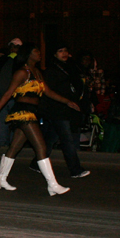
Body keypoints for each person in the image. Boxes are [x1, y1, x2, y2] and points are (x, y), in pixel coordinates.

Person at [0, 42, 75, 196]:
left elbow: (48, 92)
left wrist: (67, 101)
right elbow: (7, 94)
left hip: (32, 111)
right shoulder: (22, 72)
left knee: (15, 147)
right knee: (41, 146)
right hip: (22, 112)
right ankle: (52, 184)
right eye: (36, 51)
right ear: (28, 54)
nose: (39, 54)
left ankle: (1, 179)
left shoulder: (37, 72)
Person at [31, 42, 90, 178]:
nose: (64, 54)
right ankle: (75, 169)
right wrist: (66, 101)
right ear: (54, 54)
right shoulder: (52, 70)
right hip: (56, 109)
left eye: (65, 50)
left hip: (66, 108)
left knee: (51, 138)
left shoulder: (70, 67)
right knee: (67, 139)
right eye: (60, 51)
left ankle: (36, 163)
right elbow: (50, 91)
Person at [0, 38, 22, 146]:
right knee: (0, 122)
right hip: (1, 95)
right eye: (13, 47)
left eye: (17, 47)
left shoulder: (21, 62)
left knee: (14, 122)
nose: (14, 49)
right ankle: (1, 143)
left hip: (14, 97)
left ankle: (13, 145)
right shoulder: (3, 60)